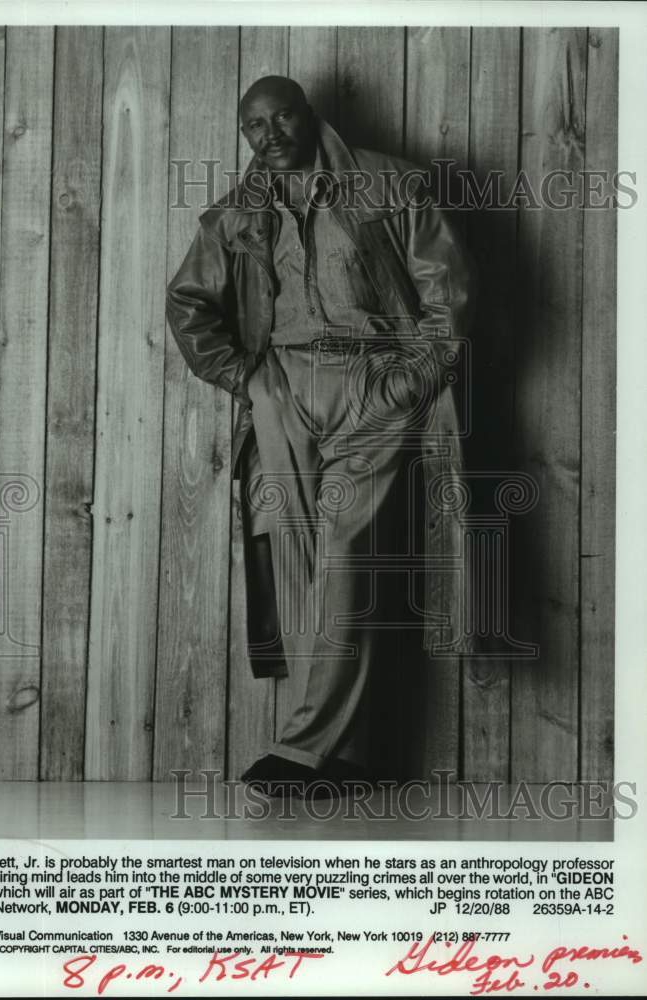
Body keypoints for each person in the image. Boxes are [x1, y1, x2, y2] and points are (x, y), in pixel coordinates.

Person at [166, 75, 475, 798]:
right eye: (254, 125)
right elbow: (188, 303)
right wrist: (248, 378)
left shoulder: (391, 184)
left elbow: (449, 295)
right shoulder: (236, 212)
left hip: (373, 385)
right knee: (300, 569)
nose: (269, 135)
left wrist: (411, 380)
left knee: (345, 558)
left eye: (281, 118)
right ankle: (346, 757)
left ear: (309, 116)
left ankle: (304, 748)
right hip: (281, 387)